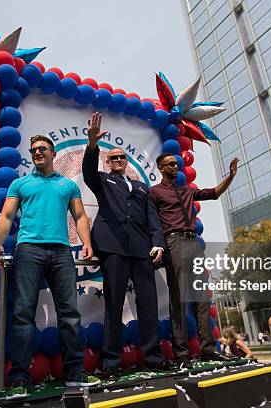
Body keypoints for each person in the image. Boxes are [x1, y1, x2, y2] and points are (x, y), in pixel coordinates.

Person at [0, 135, 100, 400]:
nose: (37, 152)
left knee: (69, 313)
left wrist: (87, 242)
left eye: (42, 149)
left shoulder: (67, 185)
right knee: (22, 314)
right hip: (28, 250)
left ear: (53, 153)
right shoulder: (20, 183)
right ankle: (18, 377)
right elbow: (7, 216)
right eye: (33, 150)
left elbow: (80, 216)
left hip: (62, 251)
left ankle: (76, 372)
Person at [82, 112, 174, 378]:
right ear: (108, 162)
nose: (119, 161)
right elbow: (88, 171)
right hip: (113, 248)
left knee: (148, 304)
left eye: (122, 157)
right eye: (114, 158)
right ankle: (110, 362)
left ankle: (153, 357)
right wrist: (91, 145)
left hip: (142, 250)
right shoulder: (102, 180)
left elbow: (153, 219)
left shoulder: (142, 187)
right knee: (113, 304)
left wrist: (158, 243)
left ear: (126, 162)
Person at [150, 153, 238, 367]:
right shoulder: (154, 192)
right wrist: (157, 247)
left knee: (201, 298)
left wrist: (231, 176)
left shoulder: (186, 191)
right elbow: (151, 221)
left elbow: (214, 193)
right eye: (170, 164)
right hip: (174, 242)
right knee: (179, 299)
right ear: (161, 168)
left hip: (192, 243)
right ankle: (182, 354)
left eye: (177, 163)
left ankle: (208, 349)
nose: (175, 166)